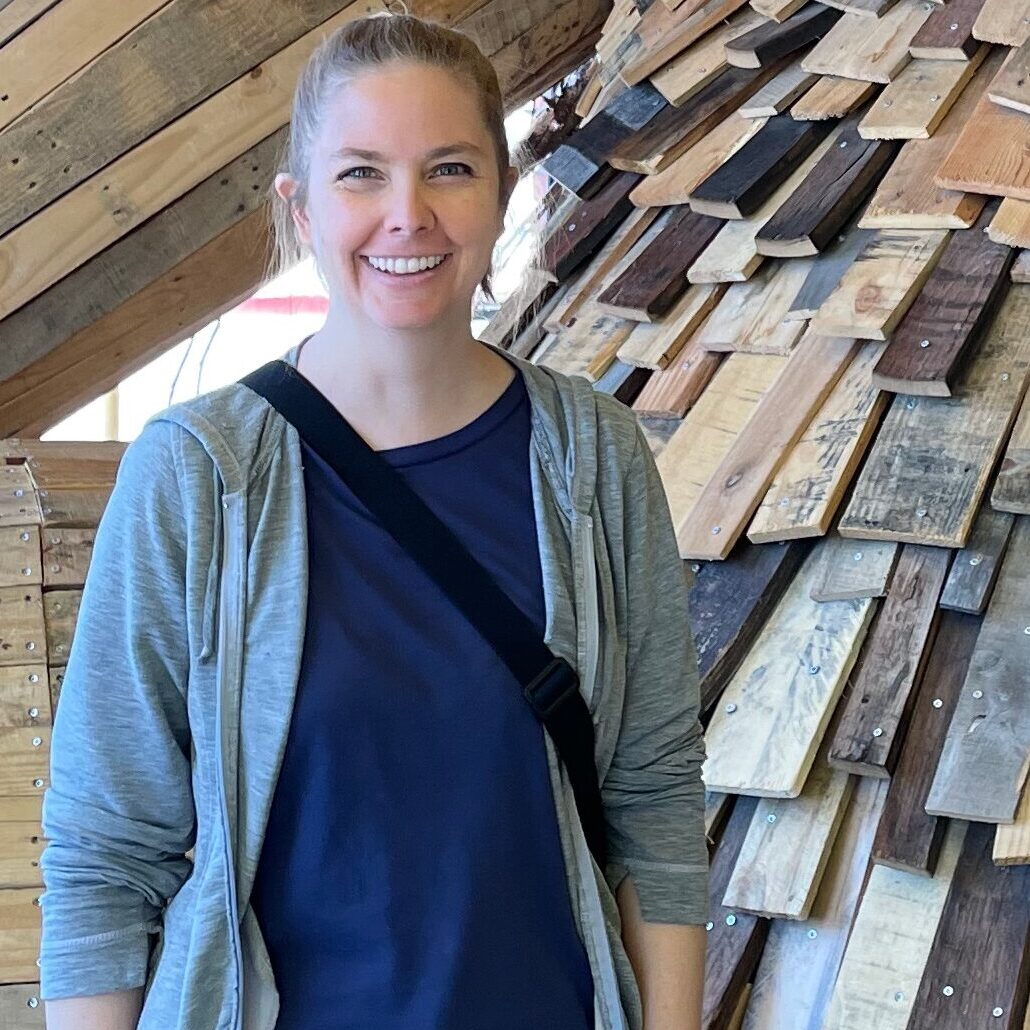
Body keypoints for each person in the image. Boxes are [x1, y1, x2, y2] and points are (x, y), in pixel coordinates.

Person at [38, 10, 709, 1030]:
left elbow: (654, 805)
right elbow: (107, 852)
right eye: (361, 174)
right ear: (301, 208)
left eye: (449, 169)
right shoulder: (196, 475)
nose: (408, 215)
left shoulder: (594, 457)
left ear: (502, 194)